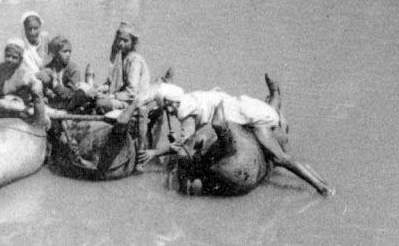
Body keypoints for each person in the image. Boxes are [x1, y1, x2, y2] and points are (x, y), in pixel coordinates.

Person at [139, 82, 335, 196]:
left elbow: (185, 144)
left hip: (247, 116)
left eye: (169, 107)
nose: (171, 112)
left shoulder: (185, 110)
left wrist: (156, 151)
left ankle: (321, 187)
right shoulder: (190, 98)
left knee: (278, 157)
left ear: (174, 101)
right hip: (237, 109)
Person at [95, 22, 151, 113]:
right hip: (121, 97)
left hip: (133, 103)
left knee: (100, 103)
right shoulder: (120, 58)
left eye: (125, 41)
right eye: (119, 39)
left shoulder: (134, 60)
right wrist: (101, 88)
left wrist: (112, 96)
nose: (121, 43)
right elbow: (112, 82)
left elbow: (131, 93)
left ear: (133, 43)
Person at [0, 38, 43, 116]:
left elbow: (34, 83)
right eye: (7, 56)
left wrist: (35, 86)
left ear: (21, 59)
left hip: (17, 102)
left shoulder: (24, 72)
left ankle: (27, 110)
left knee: (2, 103)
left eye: (14, 57)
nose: (10, 59)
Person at [37, 35, 81, 111]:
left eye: (69, 51)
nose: (68, 54)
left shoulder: (73, 69)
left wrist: (56, 84)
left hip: (69, 106)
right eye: (65, 51)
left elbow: (71, 94)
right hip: (50, 104)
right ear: (54, 53)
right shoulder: (48, 68)